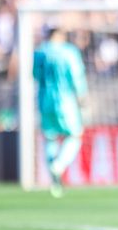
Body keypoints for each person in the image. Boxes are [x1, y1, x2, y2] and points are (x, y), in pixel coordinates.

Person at [32, 25, 89, 198]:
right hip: (65, 101)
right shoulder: (68, 52)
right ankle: (59, 164)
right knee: (75, 135)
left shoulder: (39, 52)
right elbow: (77, 76)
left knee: (50, 137)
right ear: (60, 36)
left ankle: (55, 183)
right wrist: (82, 96)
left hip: (44, 100)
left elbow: (35, 74)